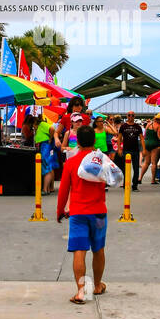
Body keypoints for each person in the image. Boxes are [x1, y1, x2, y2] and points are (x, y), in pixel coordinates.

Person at [57, 124, 108, 304]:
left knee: (80, 250)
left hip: (78, 213)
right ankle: (97, 285)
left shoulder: (71, 163)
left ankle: (81, 291)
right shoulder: (102, 160)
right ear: (94, 140)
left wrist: (60, 211)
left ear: (77, 142)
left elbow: (63, 191)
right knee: (98, 249)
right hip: (99, 213)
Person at [115, 110, 144, 192]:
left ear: (134, 117)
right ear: (127, 116)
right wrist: (119, 149)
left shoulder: (138, 127)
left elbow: (142, 138)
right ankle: (125, 183)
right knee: (125, 168)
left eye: (132, 115)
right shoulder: (123, 126)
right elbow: (119, 138)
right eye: (129, 115)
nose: (130, 117)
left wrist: (144, 149)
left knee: (136, 168)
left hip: (135, 150)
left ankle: (135, 186)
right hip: (126, 150)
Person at [35, 110, 56, 194]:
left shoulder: (42, 125)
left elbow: (52, 128)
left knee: (47, 168)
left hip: (46, 146)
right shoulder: (41, 125)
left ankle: (45, 189)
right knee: (47, 167)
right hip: (45, 146)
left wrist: (50, 138)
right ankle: (47, 188)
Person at [140, 116, 160, 185]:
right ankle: (153, 180)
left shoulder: (148, 124)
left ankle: (140, 178)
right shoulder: (159, 126)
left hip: (147, 143)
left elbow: (145, 135)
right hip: (155, 145)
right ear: (159, 120)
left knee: (146, 162)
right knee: (154, 163)